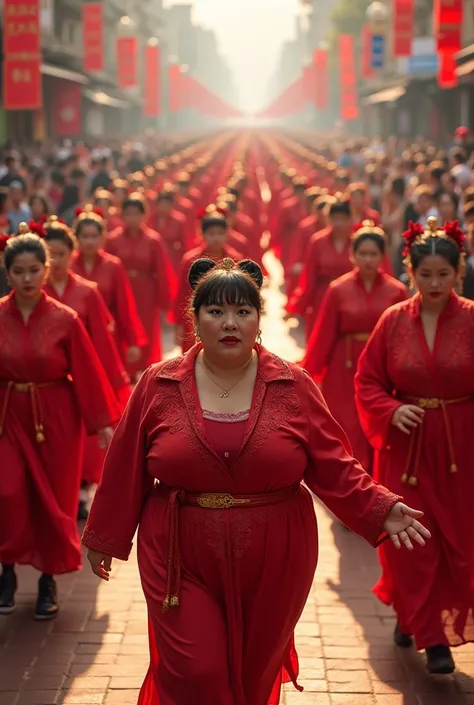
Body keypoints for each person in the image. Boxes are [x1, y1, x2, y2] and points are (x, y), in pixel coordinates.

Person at [82, 257, 429, 705]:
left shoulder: (292, 384)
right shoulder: (159, 383)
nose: (230, 323)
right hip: (178, 550)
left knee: (251, 675)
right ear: (195, 318)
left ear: (258, 320)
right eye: (216, 311)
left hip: (275, 553)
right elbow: (124, 464)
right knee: (198, 672)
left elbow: (333, 463)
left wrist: (380, 506)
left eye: (243, 312)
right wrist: (103, 537)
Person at [355, 216, 474, 674]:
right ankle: (432, 638)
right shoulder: (392, 321)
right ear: (410, 271)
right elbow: (367, 380)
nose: (435, 283)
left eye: (444, 274)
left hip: (460, 448)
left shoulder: (470, 318)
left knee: (455, 541)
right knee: (410, 539)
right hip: (405, 450)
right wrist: (389, 410)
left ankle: (416, 619)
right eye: (425, 274)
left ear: (458, 272)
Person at [0, 233, 117, 619]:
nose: (27, 279)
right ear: (8, 274)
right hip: (8, 415)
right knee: (8, 491)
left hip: (56, 417)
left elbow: (86, 371)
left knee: (54, 500)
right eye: (18, 272)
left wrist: (102, 423)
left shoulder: (64, 319)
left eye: (34, 270)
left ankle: (48, 581)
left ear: (46, 270)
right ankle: (8, 571)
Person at [303, 222, 407, 472]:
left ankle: (377, 480)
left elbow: (404, 337)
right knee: (345, 422)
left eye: (373, 254)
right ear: (353, 255)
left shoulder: (397, 291)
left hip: (382, 367)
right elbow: (324, 333)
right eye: (363, 254)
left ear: (382, 256)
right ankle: (348, 480)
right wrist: (311, 371)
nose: (368, 260)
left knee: (377, 423)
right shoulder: (338, 289)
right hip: (344, 366)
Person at [105, 193, 175, 381]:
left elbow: (162, 269)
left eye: (136, 213)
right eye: (128, 214)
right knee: (122, 327)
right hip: (120, 290)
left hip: (145, 291)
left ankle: (146, 372)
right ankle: (124, 370)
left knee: (146, 329)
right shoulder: (113, 240)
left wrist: (165, 299)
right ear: (122, 215)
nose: (132, 218)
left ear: (144, 215)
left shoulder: (153, 240)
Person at [71, 205, 147, 367]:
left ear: (102, 237)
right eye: (85, 236)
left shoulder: (113, 265)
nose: (90, 241)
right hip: (74, 335)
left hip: (107, 333)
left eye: (94, 236)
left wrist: (132, 341)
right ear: (76, 238)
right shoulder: (69, 266)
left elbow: (124, 305)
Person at [173, 205, 243, 352]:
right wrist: (179, 324)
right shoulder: (190, 260)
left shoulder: (235, 259)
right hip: (196, 320)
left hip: (228, 319)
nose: (216, 238)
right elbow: (181, 294)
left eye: (220, 233)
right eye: (211, 233)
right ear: (202, 234)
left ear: (227, 234)